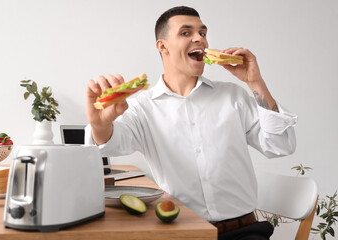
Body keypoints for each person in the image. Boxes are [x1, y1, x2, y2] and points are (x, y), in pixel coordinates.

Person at [85, 6, 297, 240]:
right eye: (186, 33)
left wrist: (256, 83)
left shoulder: (233, 96)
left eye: (203, 33)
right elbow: (109, 144)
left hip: (244, 232)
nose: (200, 39)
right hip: (183, 232)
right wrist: (99, 124)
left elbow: (281, 144)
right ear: (162, 46)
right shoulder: (142, 108)